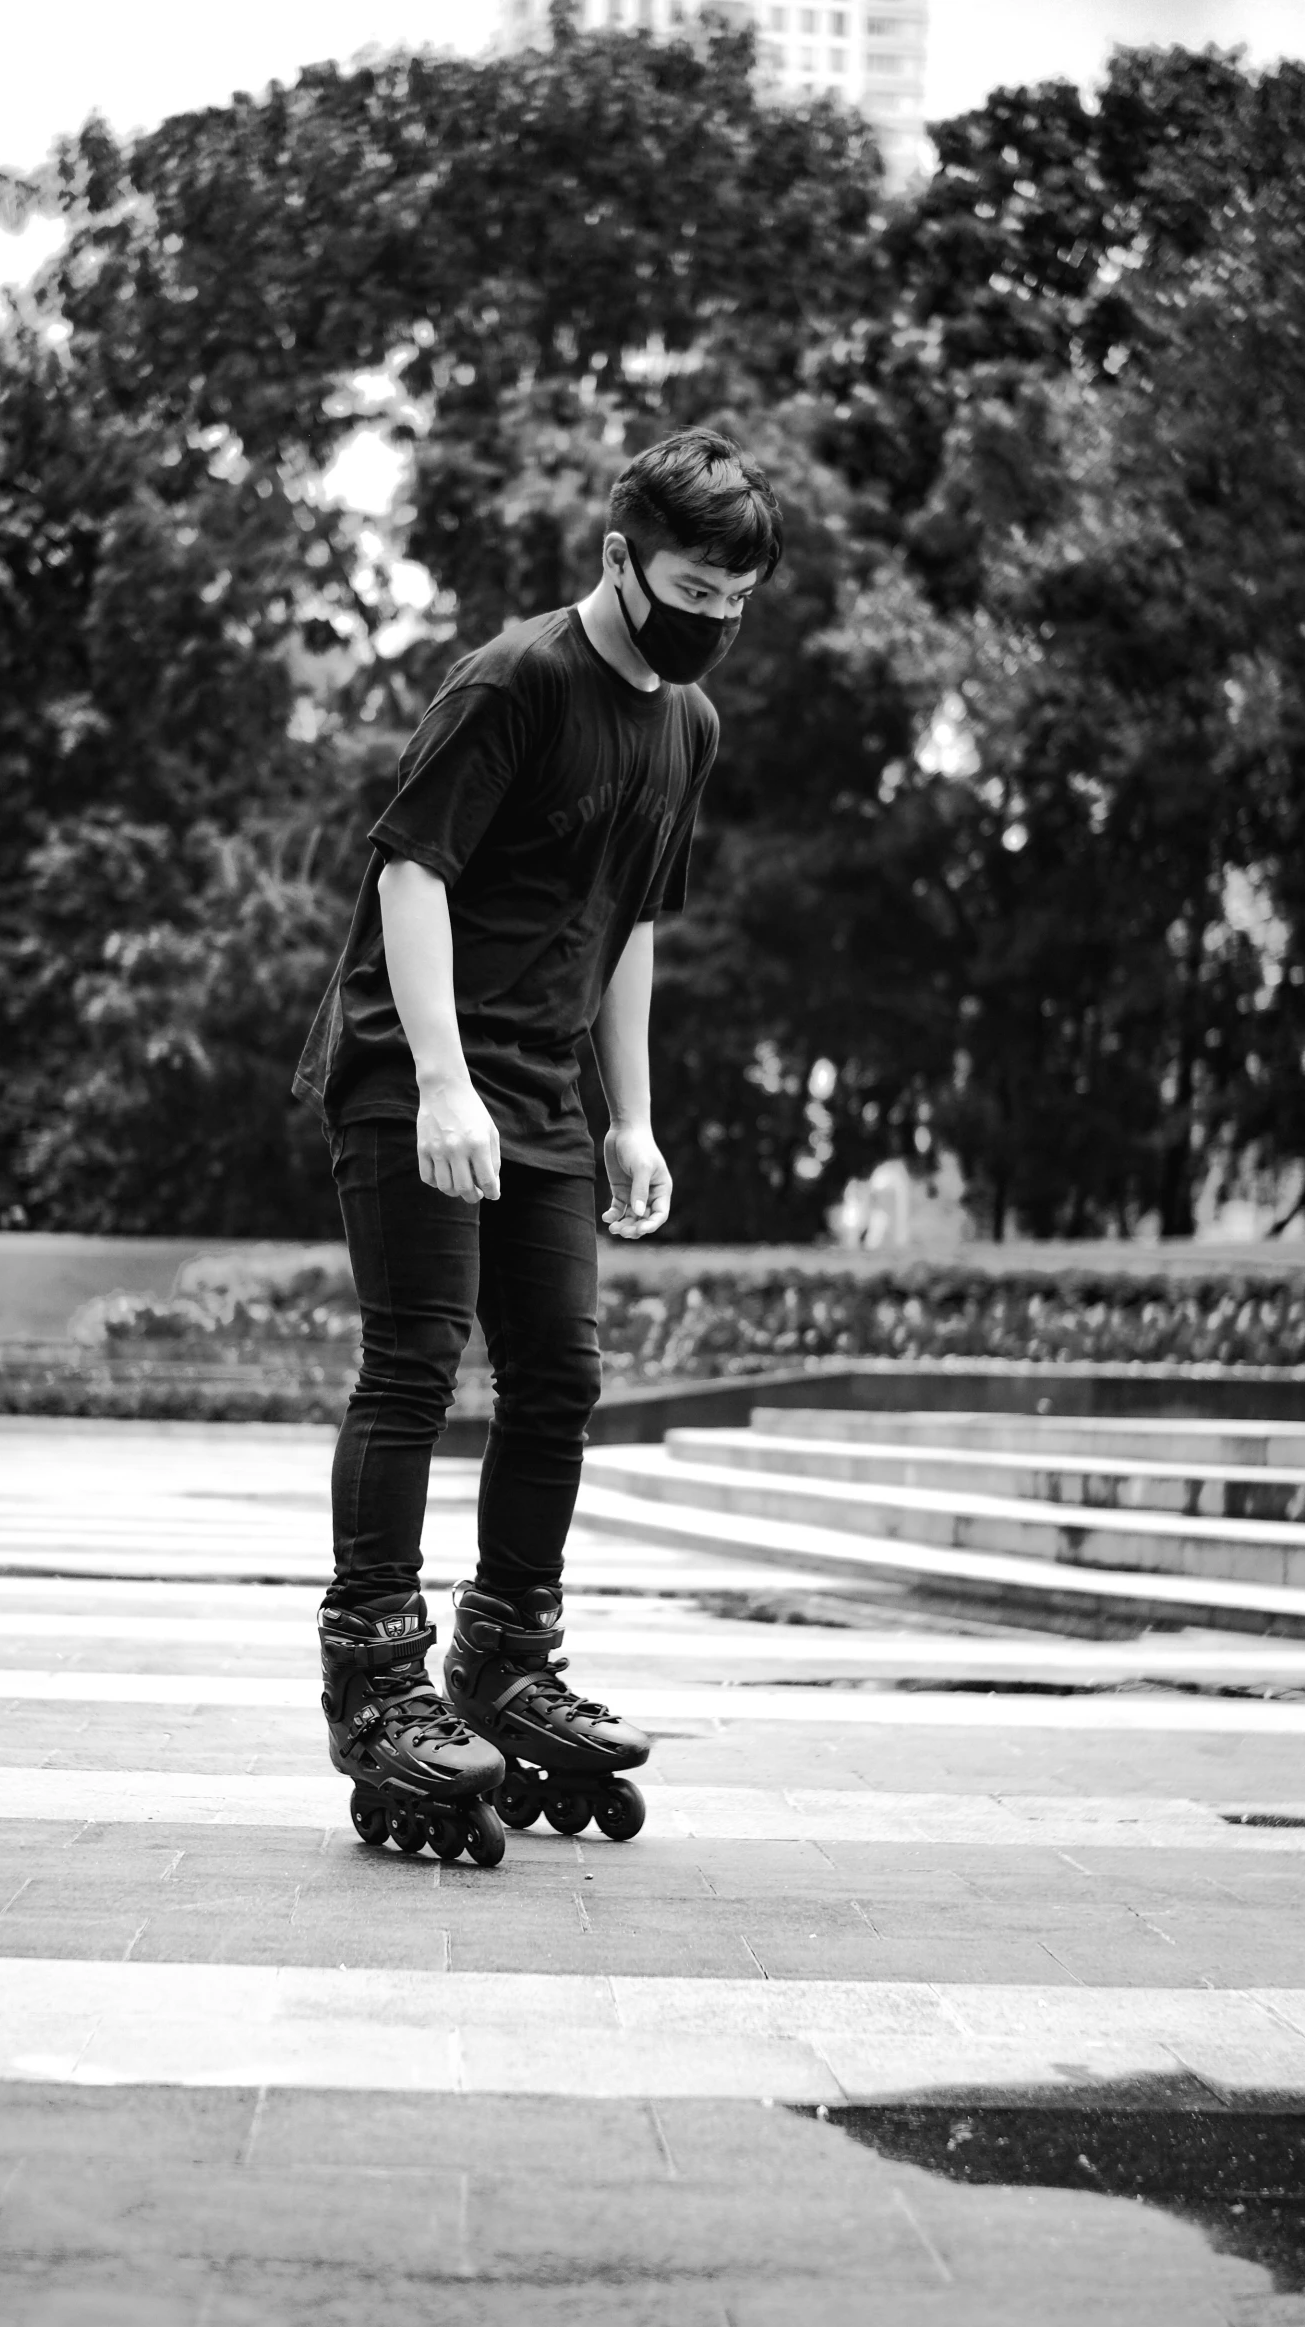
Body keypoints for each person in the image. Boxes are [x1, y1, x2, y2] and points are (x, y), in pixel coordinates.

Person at [294, 426, 783, 1867]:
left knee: (560, 1372)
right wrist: (442, 1084)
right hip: (413, 1070)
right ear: (619, 558)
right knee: (414, 1358)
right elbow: (409, 871)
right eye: (693, 586)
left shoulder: (685, 730)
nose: (713, 620)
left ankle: (504, 1655)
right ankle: (375, 1678)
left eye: (737, 600)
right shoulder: (513, 681)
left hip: (547, 1095)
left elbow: (630, 926)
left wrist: (630, 1114)